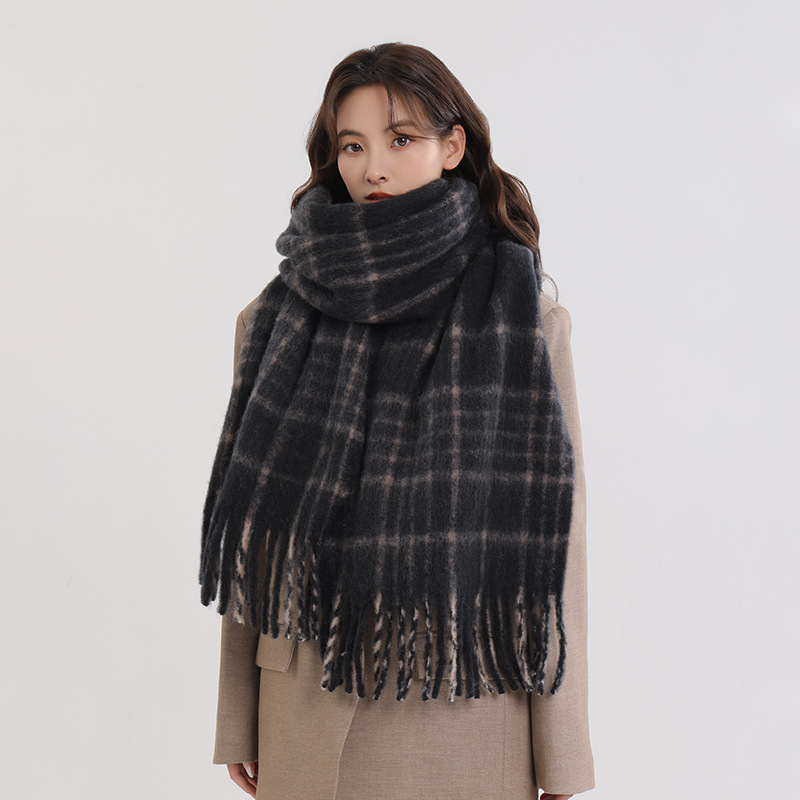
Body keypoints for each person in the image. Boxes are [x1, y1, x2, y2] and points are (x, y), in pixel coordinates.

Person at [200, 42, 595, 800]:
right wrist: (238, 720)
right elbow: (257, 543)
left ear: (453, 146)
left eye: (401, 139)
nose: (373, 168)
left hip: (463, 712)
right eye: (353, 146)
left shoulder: (525, 323)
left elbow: (558, 549)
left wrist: (562, 751)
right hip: (304, 715)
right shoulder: (273, 321)